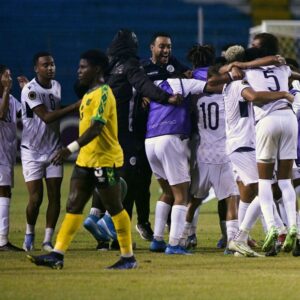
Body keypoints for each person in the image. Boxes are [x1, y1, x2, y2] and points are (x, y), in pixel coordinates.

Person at [27, 49, 138, 270]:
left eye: (83, 67)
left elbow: (97, 128)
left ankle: (128, 258)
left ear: (96, 69)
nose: (78, 71)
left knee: (114, 207)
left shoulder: (104, 93)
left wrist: (70, 148)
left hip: (104, 160)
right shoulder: (88, 94)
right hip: (85, 160)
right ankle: (57, 254)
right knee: (73, 204)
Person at [82, 29, 183, 248]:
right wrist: (167, 98)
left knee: (109, 176)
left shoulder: (109, 68)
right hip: (125, 133)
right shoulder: (130, 66)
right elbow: (145, 86)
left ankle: (94, 215)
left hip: (103, 132)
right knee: (128, 181)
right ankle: (117, 231)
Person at [131, 32, 190, 241]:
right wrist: (142, 96)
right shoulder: (143, 68)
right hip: (145, 131)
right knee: (145, 181)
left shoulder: (174, 65)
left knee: (168, 187)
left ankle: (162, 230)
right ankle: (144, 222)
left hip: (162, 132)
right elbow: (136, 90)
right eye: (162, 47)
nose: (166, 51)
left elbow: (188, 75)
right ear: (152, 48)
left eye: (169, 47)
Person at [21, 52, 80, 252]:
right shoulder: (30, 90)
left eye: (52, 64)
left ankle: (47, 239)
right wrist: (74, 106)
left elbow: (54, 110)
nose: (50, 68)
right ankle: (29, 233)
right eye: (45, 65)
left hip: (54, 149)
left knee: (55, 196)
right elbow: (46, 116)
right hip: (32, 151)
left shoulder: (56, 86)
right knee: (36, 198)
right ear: (36, 69)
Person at [0, 65, 23, 251]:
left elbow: (27, 116)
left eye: (10, 75)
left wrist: (28, 92)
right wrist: (6, 90)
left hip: (6, 155)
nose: (10, 78)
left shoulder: (13, 100)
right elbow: (1, 114)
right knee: (3, 192)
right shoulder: (6, 96)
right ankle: (2, 241)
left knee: (6, 193)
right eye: (6, 76)